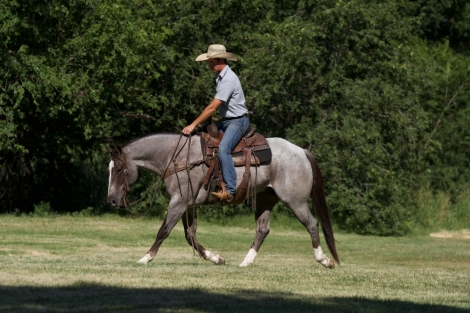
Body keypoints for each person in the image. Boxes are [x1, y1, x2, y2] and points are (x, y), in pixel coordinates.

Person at [182, 44, 249, 202]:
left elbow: (212, 107)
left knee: (224, 148)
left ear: (221, 59)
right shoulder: (221, 77)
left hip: (238, 122)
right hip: (227, 122)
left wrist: (193, 125)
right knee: (204, 143)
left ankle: (230, 190)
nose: (209, 64)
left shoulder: (228, 79)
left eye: (211, 61)